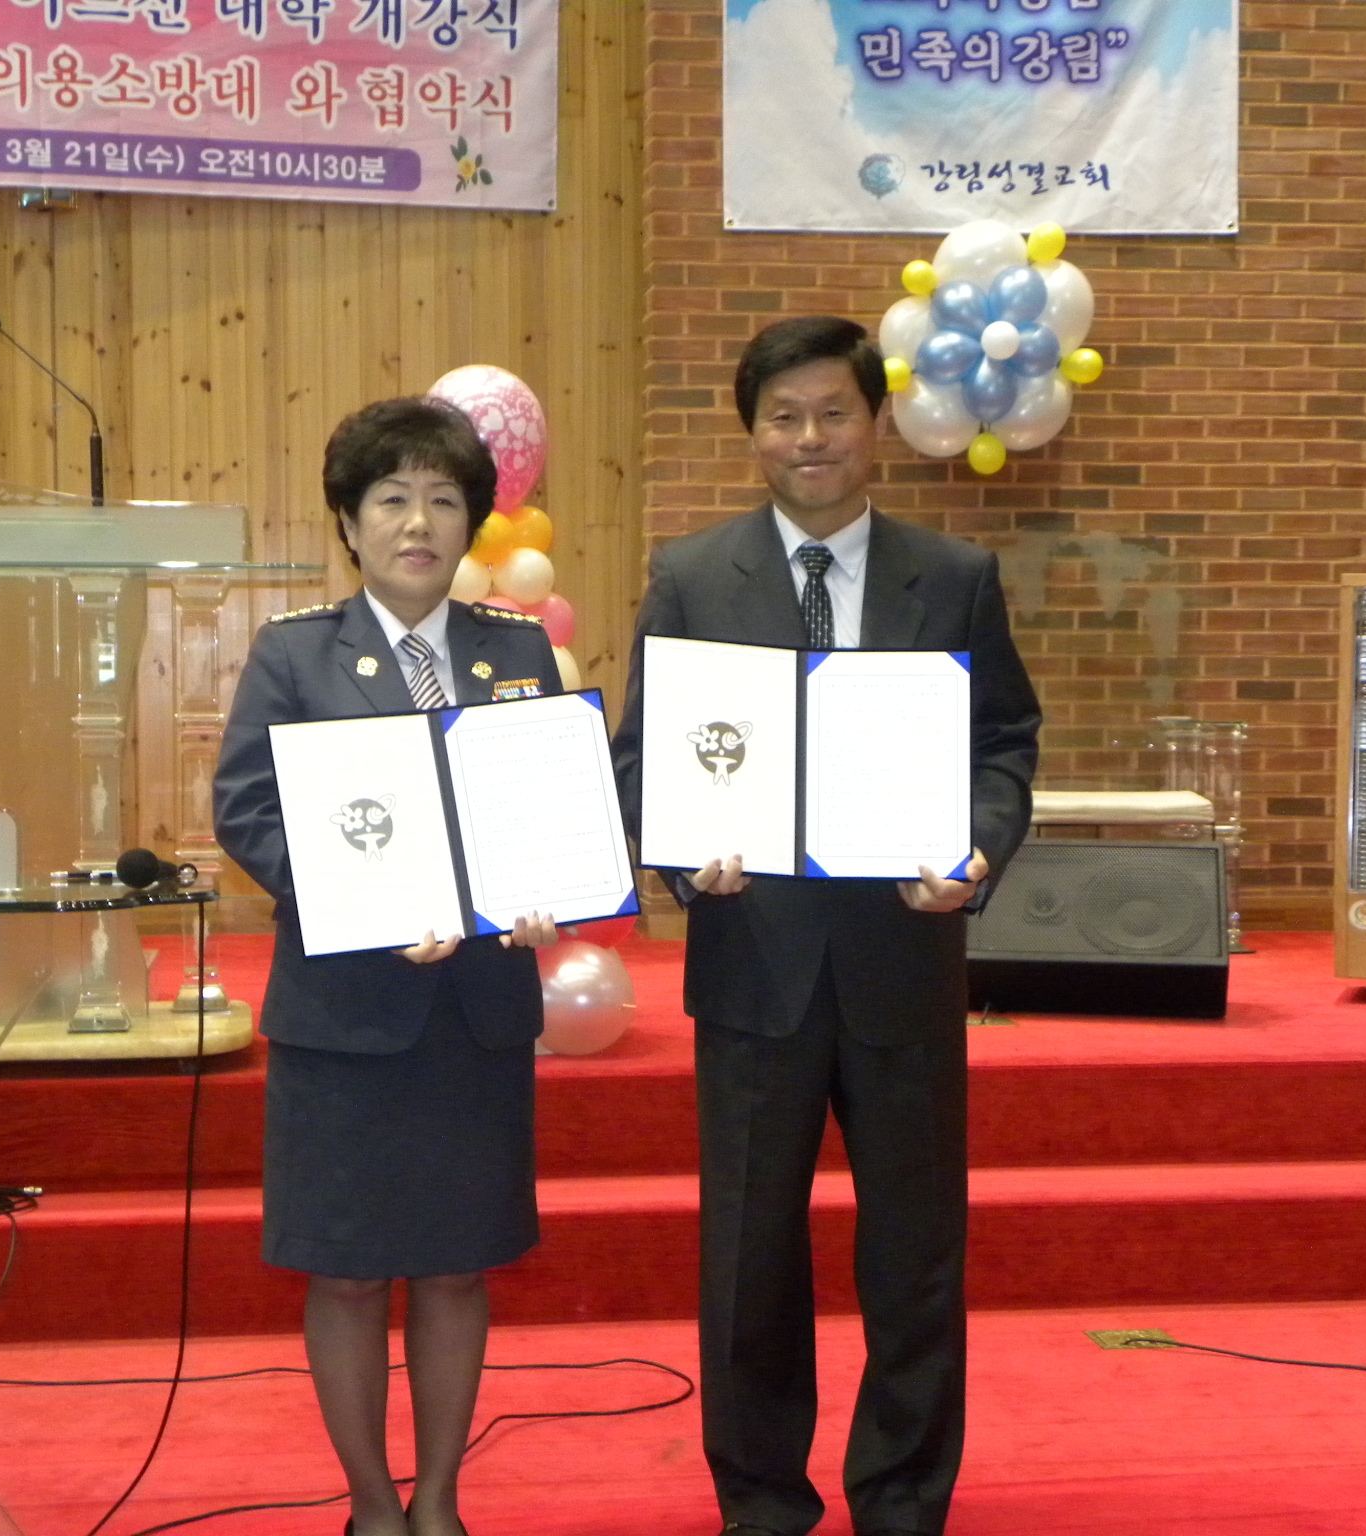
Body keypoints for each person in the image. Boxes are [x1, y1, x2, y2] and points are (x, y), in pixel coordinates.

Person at [611, 316, 1041, 1536]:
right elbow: (644, 760)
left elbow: (1002, 741)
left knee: (914, 1254)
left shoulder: (951, 576)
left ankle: (901, 1497)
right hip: (755, 962)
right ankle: (759, 1498)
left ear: (876, 424)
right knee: (749, 1254)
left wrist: (976, 848)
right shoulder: (693, 577)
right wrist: (683, 857)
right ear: (752, 434)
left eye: (833, 413)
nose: (810, 439)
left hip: (904, 956)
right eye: (783, 417)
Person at [214, 395, 562, 1536]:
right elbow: (247, 812)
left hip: (477, 1013)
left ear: (472, 524)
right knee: (350, 1271)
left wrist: (545, 891)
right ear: (349, 521)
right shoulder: (294, 653)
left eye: (444, 500)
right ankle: (371, 1505)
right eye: (393, 498)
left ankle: (440, 1500)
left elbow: (547, 812)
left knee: (458, 1266)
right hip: (346, 1016)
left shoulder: (516, 651)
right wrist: (366, 905)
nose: (419, 522)